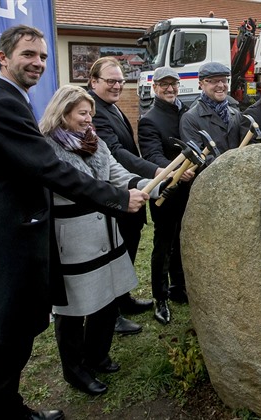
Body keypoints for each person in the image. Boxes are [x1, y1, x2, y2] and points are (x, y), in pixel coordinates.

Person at [0, 25, 148, 419]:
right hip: (6, 246)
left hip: (15, 241)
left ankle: (10, 409)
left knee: (14, 343)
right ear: (3, 58)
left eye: (43, 56)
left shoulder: (10, 102)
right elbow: (52, 170)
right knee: (6, 347)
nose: (38, 62)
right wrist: (118, 198)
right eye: (28, 54)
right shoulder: (4, 106)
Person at [39, 85, 167, 395]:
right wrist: (123, 197)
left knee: (107, 297)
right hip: (73, 239)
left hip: (107, 234)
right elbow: (79, 186)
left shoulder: (93, 142)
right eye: (82, 113)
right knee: (73, 309)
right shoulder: (46, 147)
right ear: (63, 112)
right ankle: (75, 370)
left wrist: (149, 185)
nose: (88, 120)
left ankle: (97, 354)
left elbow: (116, 173)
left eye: (91, 114)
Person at [88, 57, 156, 335]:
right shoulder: (95, 112)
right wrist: (155, 171)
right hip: (115, 195)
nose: (117, 86)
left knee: (128, 249)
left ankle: (123, 299)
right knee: (115, 255)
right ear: (93, 82)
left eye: (120, 81)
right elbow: (115, 152)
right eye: (111, 81)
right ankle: (111, 314)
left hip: (130, 191)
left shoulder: (111, 108)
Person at [138, 67, 194, 324]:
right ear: (155, 87)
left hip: (190, 189)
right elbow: (152, 156)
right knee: (164, 243)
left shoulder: (187, 112)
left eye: (173, 84)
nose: (169, 88)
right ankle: (160, 298)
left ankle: (179, 288)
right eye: (164, 84)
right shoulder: (149, 119)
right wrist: (177, 172)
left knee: (182, 240)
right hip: (167, 191)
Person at [180, 62, 247, 153]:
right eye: (213, 81)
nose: (220, 85)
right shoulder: (190, 119)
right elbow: (196, 156)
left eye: (224, 80)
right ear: (201, 84)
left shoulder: (236, 114)